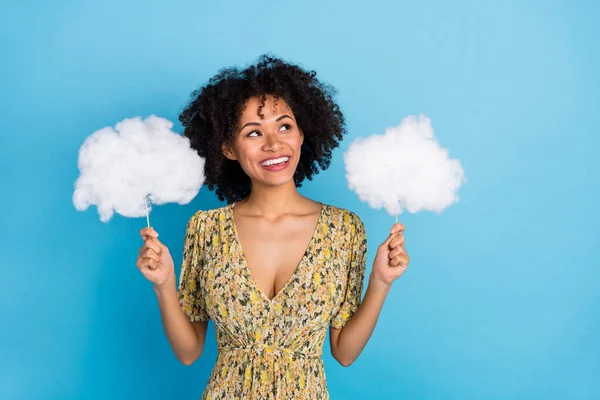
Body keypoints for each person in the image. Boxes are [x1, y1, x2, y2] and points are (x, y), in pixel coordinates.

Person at [136, 54, 410, 399]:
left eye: (284, 126)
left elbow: (344, 352)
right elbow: (189, 352)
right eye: (253, 133)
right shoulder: (206, 229)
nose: (273, 144)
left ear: (301, 134)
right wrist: (163, 285)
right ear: (228, 148)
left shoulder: (345, 230)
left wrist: (381, 282)